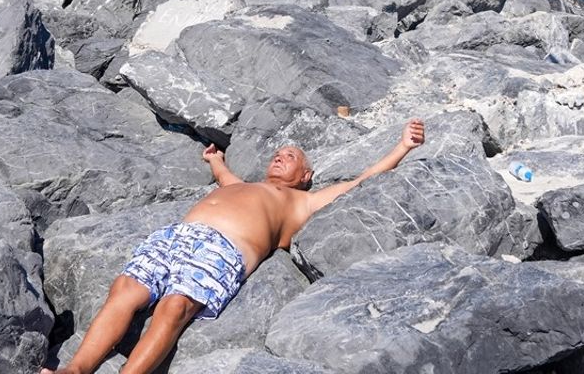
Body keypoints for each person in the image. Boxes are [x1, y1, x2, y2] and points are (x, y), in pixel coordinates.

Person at [40, 119, 428, 374]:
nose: (281, 156)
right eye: (278, 153)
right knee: (124, 290)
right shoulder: (243, 184)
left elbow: (359, 182)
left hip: (224, 250)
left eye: (291, 156)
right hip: (177, 235)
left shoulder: (303, 202)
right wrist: (216, 160)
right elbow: (225, 176)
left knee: (176, 307)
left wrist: (402, 147)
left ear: (306, 176)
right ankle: (74, 371)